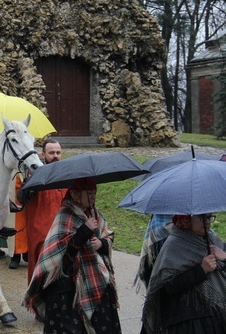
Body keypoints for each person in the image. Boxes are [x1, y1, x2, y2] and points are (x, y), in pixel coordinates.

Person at [25, 177, 121, 333]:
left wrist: (102, 244)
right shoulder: (65, 214)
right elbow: (64, 253)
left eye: (94, 193)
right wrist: (84, 230)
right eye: (89, 193)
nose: (93, 197)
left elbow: (107, 234)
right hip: (69, 285)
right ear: (76, 195)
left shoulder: (94, 213)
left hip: (95, 278)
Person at [141, 214, 226, 333]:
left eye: (209, 217)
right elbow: (167, 288)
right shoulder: (174, 245)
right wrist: (201, 270)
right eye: (202, 218)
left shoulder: (214, 242)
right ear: (186, 219)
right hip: (186, 322)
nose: (207, 222)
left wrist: (224, 256)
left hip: (214, 320)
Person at [21, 138, 67, 279]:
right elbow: (22, 198)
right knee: (40, 273)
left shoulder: (67, 174)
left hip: (63, 232)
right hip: (40, 234)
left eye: (58, 152)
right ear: (43, 155)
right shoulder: (35, 175)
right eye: (51, 152)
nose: (55, 156)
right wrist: (28, 186)